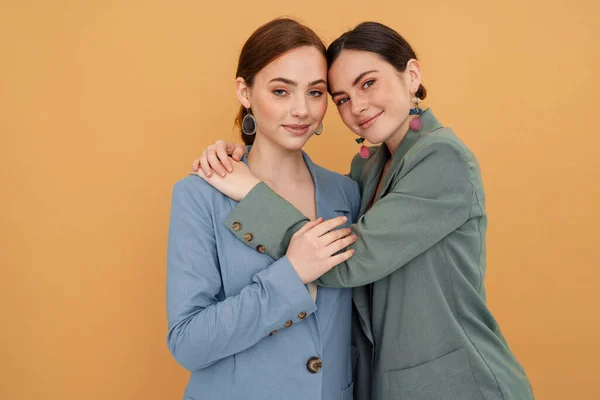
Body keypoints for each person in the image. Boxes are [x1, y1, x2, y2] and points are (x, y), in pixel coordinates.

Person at [192, 21, 534, 400]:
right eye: (340, 97)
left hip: (460, 384)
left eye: (368, 83)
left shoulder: (443, 158)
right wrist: (236, 155)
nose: (357, 106)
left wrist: (252, 193)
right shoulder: (367, 168)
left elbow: (347, 258)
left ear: (412, 74)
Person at [166, 18, 360, 400]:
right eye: (281, 91)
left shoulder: (346, 192)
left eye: (316, 92)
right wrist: (291, 275)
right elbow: (187, 342)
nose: (302, 110)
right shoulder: (199, 195)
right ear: (245, 91)